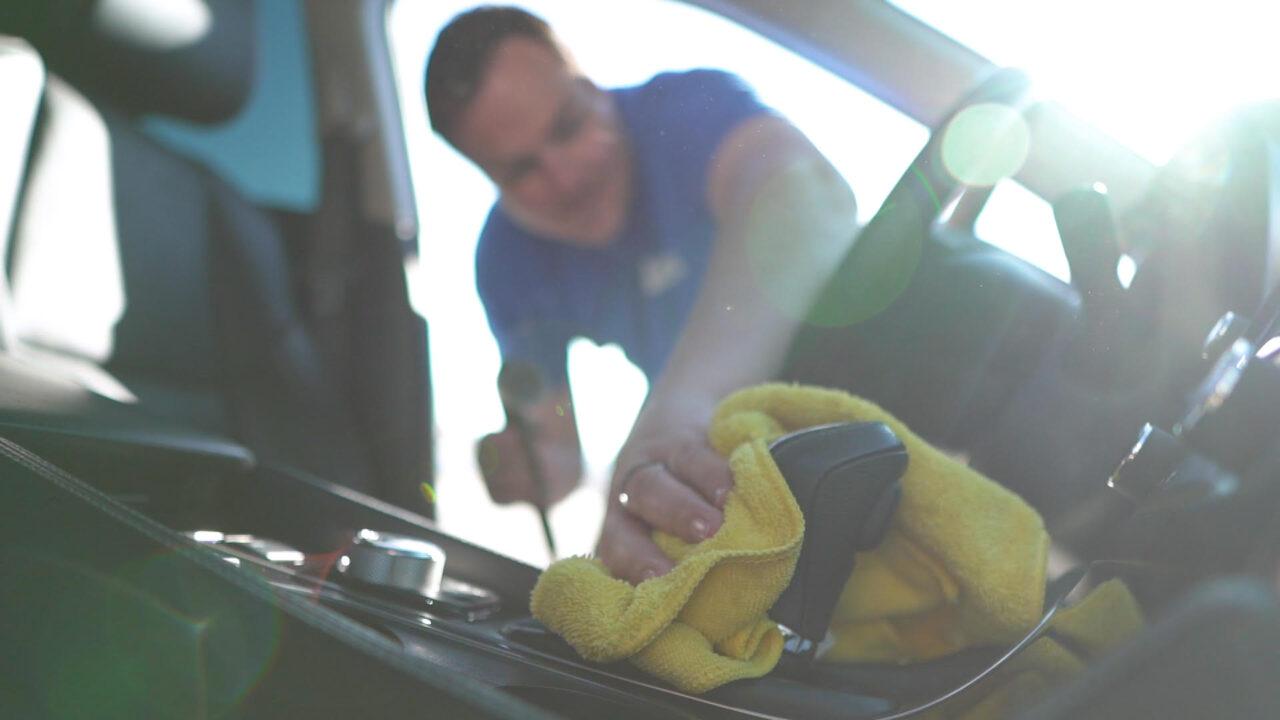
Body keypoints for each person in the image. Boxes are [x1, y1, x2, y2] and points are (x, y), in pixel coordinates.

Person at [425, 5, 859, 584]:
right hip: (733, 481)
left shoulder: (686, 112)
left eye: (569, 126)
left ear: (593, 87)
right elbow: (559, 453)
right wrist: (528, 465)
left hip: (867, 409)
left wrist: (680, 410)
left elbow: (807, 198)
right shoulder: (509, 260)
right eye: (521, 170)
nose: (564, 177)